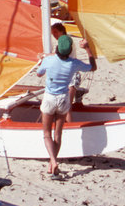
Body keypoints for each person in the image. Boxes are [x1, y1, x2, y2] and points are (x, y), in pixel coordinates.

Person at [36, 34, 96, 177]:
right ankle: (53, 164)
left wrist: (41, 62)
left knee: (46, 134)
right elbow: (93, 67)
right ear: (70, 50)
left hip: (50, 98)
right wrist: (88, 49)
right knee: (58, 134)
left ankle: (53, 160)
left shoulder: (49, 60)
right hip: (64, 99)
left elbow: (39, 74)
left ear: (57, 48)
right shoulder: (74, 63)